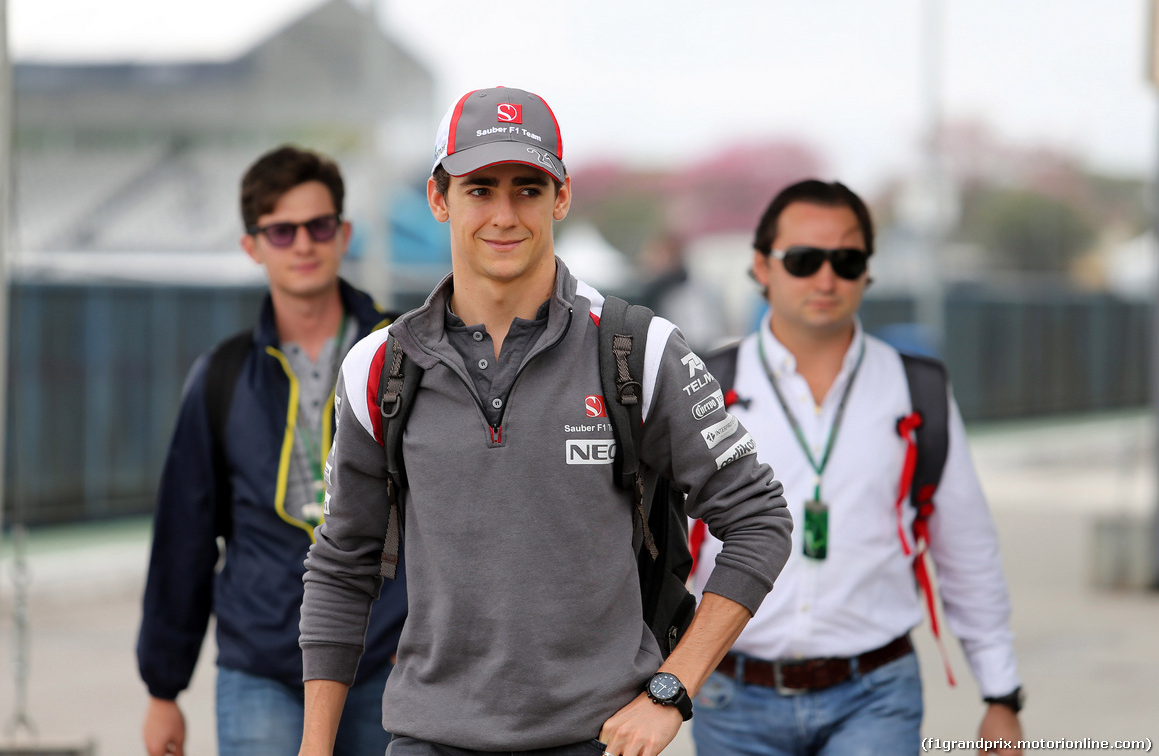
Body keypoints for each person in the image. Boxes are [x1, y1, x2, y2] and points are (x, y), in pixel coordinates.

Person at [296, 86, 793, 756]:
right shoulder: (379, 367)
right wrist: (314, 746)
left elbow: (758, 518)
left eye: (527, 189)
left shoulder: (636, 349)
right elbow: (342, 562)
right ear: (439, 198)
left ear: (560, 198)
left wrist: (673, 687)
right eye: (480, 189)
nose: (504, 214)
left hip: (597, 740)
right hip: (428, 739)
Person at [691, 180, 1024, 756]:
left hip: (876, 697)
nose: (826, 279)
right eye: (803, 259)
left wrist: (1001, 695)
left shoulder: (918, 389)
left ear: (868, 271)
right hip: (730, 695)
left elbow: (967, 550)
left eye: (846, 260)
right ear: (761, 268)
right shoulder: (703, 386)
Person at [137, 146, 408, 756]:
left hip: (387, 658)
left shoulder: (406, 354)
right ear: (252, 247)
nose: (303, 245)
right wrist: (163, 689)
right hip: (262, 664)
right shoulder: (222, 375)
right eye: (281, 232)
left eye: (318, 227)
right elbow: (185, 532)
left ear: (344, 234)